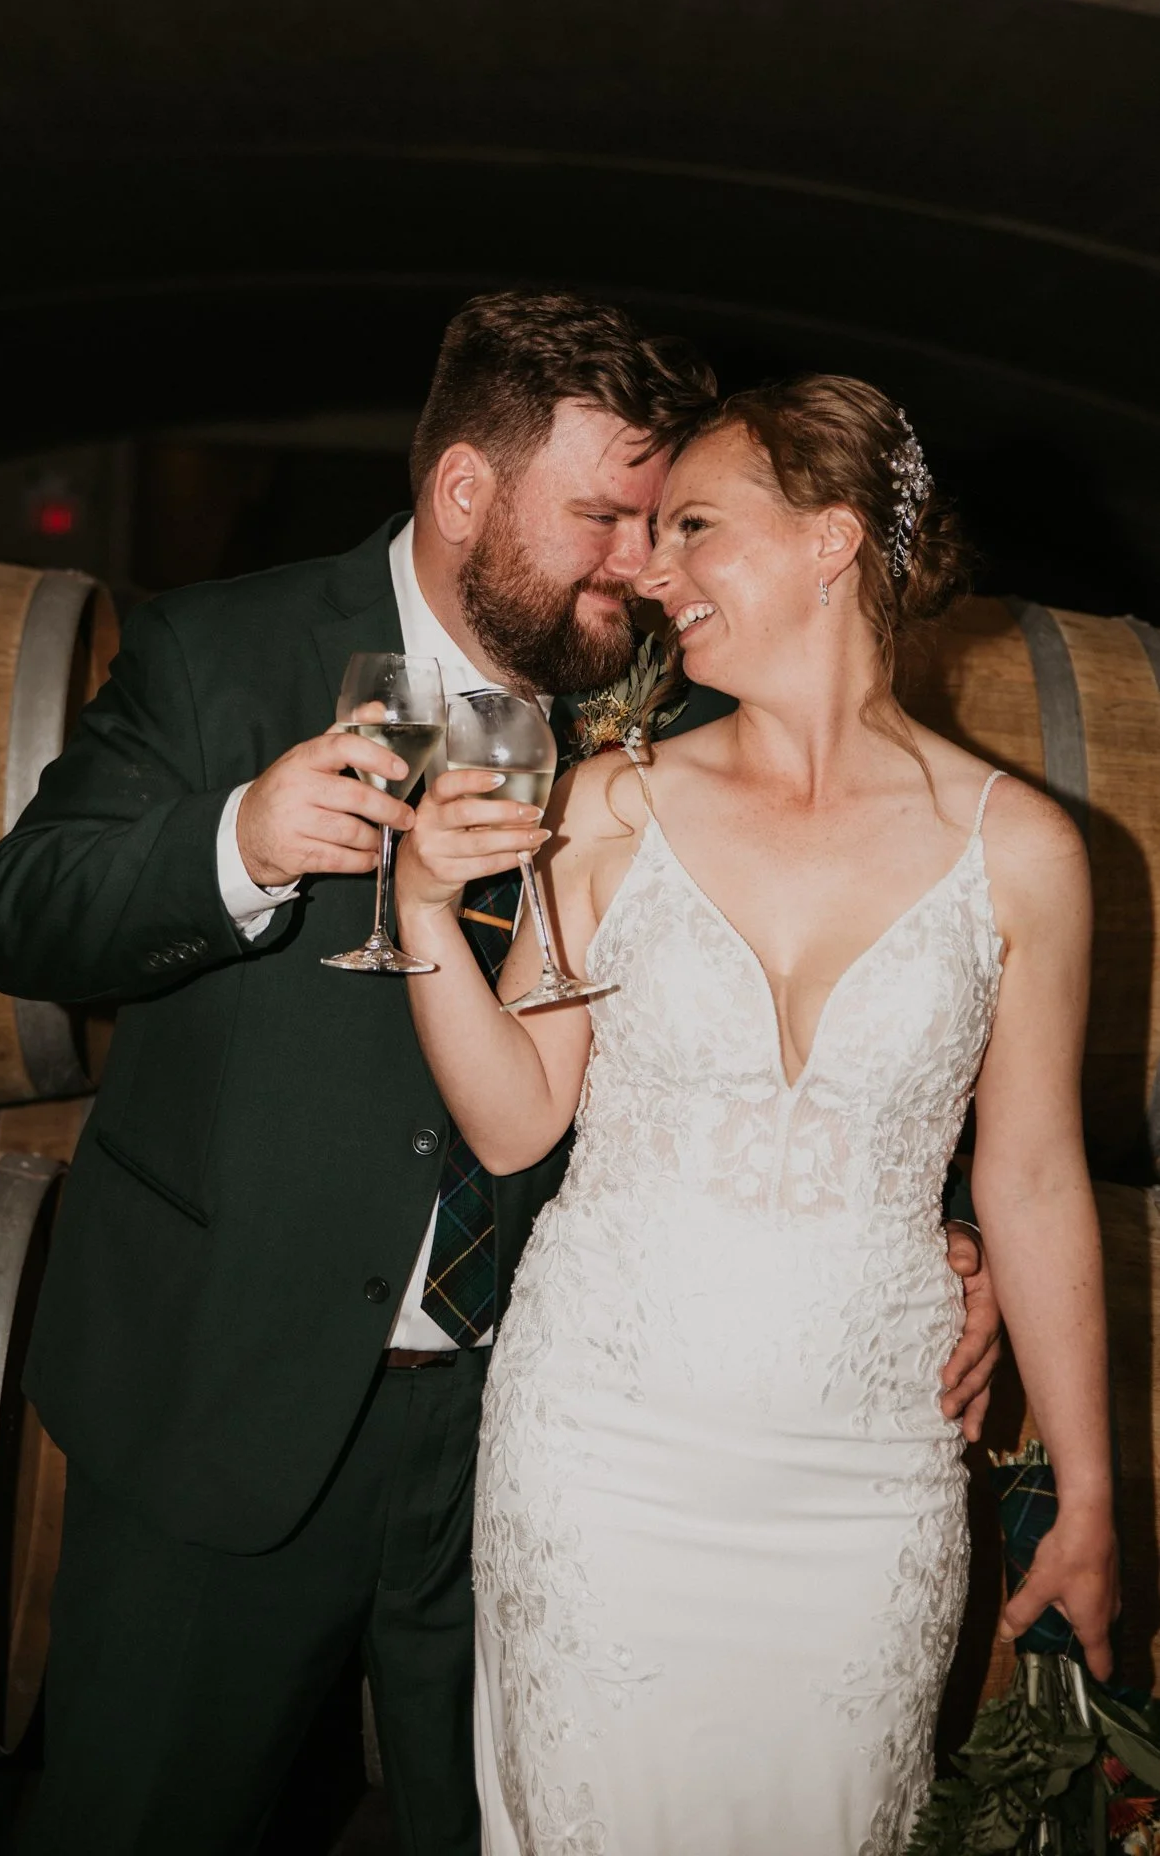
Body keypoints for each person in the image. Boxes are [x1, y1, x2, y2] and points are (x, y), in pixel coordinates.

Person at [0, 304, 1002, 1856]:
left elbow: (846, 990)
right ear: (464, 492)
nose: (638, 566)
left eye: (660, 524)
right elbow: (19, 915)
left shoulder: (678, 696)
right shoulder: (223, 651)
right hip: (229, 1405)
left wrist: (940, 1232)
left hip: (549, 1443)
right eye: (600, 517)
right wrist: (235, 842)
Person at [394, 375, 1116, 1855]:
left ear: (832, 542)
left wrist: (1094, 1495)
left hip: (865, 1492)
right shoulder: (609, 807)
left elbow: (1035, 1175)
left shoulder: (1025, 851)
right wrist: (417, 906)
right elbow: (518, 1123)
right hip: (598, 1461)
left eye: (694, 528)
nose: (649, 572)